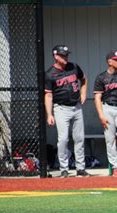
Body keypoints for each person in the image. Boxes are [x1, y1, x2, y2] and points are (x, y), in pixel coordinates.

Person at [44, 45, 90, 178]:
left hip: (76, 107)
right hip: (61, 108)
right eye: (63, 55)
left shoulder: (74, 67)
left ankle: (80, 168)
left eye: (66, 55)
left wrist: (83, 93)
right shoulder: (50, 74)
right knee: (63, 139)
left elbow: (84, 79)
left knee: (79, 138)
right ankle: (64, 168)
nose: (66, 57)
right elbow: (48, 95)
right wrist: (49, 114)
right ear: (56, 56)